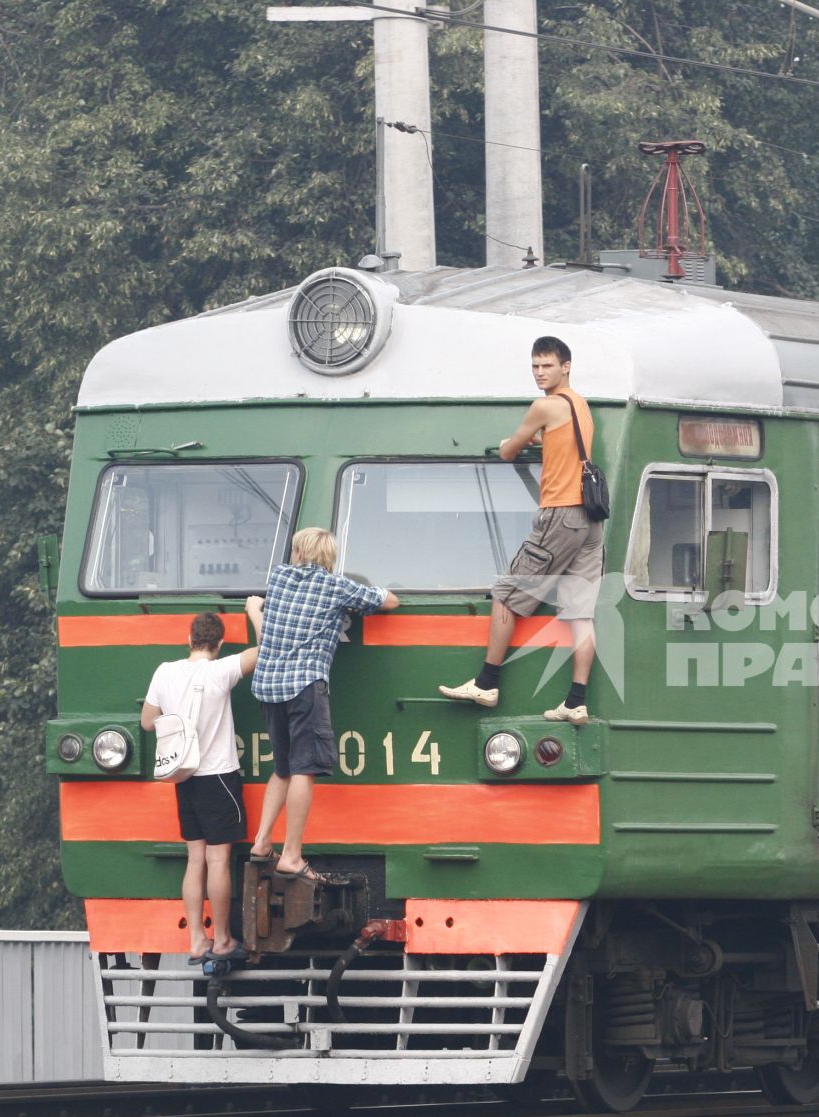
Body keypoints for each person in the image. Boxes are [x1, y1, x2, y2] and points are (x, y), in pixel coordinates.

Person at [440, 335, 604, 723]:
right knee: (581, 616)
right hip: (590, 520)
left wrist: (517, 440)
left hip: (559, 515)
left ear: (566, 366)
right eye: (535, 366)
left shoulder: (543, 406)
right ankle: (576, 701)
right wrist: (542, 439)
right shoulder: (578, 404)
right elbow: (562, 445)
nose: (539, 373)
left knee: (504, 595)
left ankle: (486, 682)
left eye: (547, 365)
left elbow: (508, 451)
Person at [246, 528, 400, 882]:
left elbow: (266, 631)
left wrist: (254, 608)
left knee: (282, 768)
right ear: (329, 558)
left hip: (269, 686)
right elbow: (388, 600)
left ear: (298, 551)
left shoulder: (279, 578)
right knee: (304, 769)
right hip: (304, 687)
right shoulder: (335, 586)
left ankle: (261, 841)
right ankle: (291, 854)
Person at [139, 613, 258, 962]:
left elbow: (147, 722)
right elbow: (265, 650)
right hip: (218, 776)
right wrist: (255, 615)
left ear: (190, 639)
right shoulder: (220, 671)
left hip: (183, 774)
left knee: (195, 859)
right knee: (218, 859)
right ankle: (222, 939)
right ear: (219, 643)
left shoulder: (165, 671)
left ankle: (196, 939)